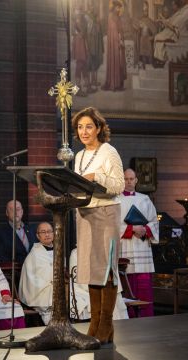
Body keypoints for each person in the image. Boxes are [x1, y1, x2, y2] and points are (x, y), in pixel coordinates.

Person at [72, 106, 125, 344]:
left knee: (107, 271)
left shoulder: (108, 151)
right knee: (92, 272)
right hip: (84, 214)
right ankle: (94, 325)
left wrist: (96, 177)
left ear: (99, 128)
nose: (84, 131)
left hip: (105, 213)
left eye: (89, 127)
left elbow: (119, 186)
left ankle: (105, 324)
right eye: (80, 127)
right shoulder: (79, 156)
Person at [119, 168, 159, 317]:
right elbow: (112, 226)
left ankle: (146, 317)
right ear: (121, 181)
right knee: (127, 284)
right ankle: (128, 317)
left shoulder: (145, 199)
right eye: (125, 179)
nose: (128, 181)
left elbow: (155, 221)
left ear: (136, 180)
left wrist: (146, 229)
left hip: (141, 246)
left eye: (131, 179)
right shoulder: (116, 200)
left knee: (143, 286)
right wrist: (131, 228)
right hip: (125, 245)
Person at [69, 247, 128, 321]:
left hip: (106, 289)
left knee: (113, 301)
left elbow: (113, 276)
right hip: (83, 290)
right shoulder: (76, 253)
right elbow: (78, 279)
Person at [19, 222, 54, 325]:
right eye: (43, 232)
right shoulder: (34, 255)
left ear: (53, 234)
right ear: (38, 236)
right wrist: (50, 284)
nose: (47, 234)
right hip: (39, 290)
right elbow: (30, 279)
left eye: (49, 231)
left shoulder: (58, 251)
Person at [0, 200, 36, 265]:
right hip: (16, 272)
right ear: (7, 213)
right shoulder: (0, 233)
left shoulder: (32, 230)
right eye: (12, 210)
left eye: (18, 209)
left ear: (22, 211)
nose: (15, 212)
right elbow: (2, 258)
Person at [102, 0, 127, 91]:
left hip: (117, 43)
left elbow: (119, 30)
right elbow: (114, 31)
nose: (119, 9)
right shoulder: (113, 17)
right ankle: (115, 84)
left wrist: (120, 38)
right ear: (115, 7)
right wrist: (120, 40)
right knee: (117, 62)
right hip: (116, 44)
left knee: (119, 62)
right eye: (118, 7)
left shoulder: (116, 17)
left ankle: (118, 83)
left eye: (120, 7)